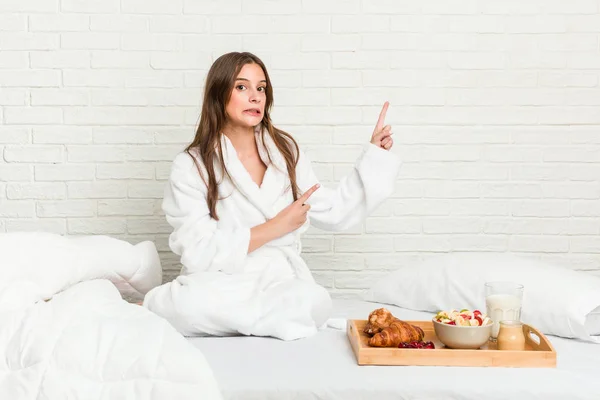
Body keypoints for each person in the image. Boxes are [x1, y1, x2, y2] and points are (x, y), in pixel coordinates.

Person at [142, 51, 401, 341]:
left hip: (278, 282)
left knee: (315, 301)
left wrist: (374, 154)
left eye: (261, 88)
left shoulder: (285, 152)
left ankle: (242, 319)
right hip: (221, 280)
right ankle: (270, 321)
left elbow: (336, 210)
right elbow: (198, 249)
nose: (255, 97)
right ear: (219, 93)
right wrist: (276, 226)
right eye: (242, 87)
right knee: (188, 304)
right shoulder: (191, 165)